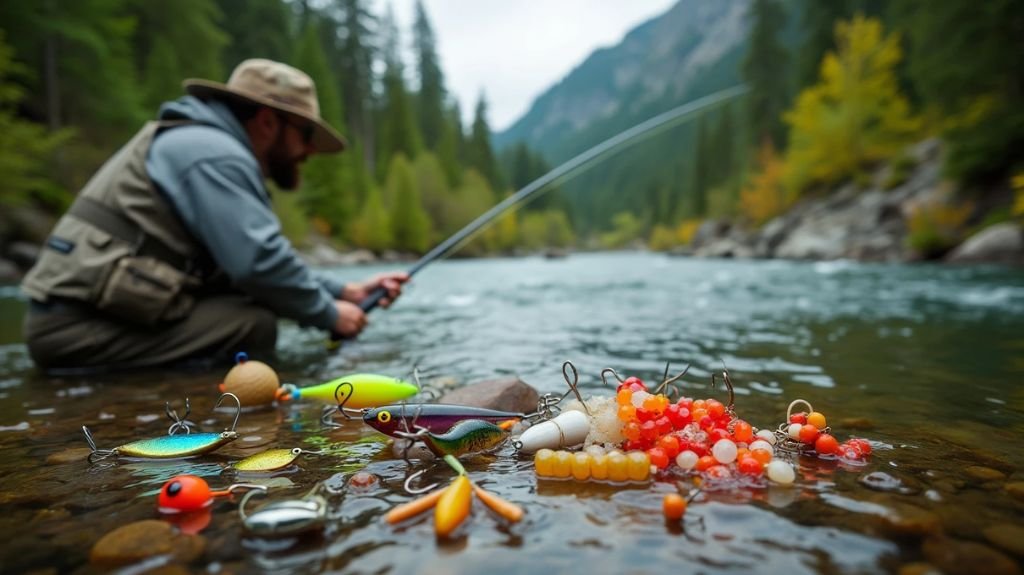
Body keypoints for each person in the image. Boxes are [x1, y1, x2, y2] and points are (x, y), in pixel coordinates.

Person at [21, 59, 408, 371]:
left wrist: (344, 292)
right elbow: (258, 264)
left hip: (82, 319)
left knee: (245, 310)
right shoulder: (214, 154)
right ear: (268, 121)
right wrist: (329, 314)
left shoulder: (201, 143)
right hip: (72, 331)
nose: (308, 152)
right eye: (305, 134)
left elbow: (248, 261)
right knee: (251, 324)